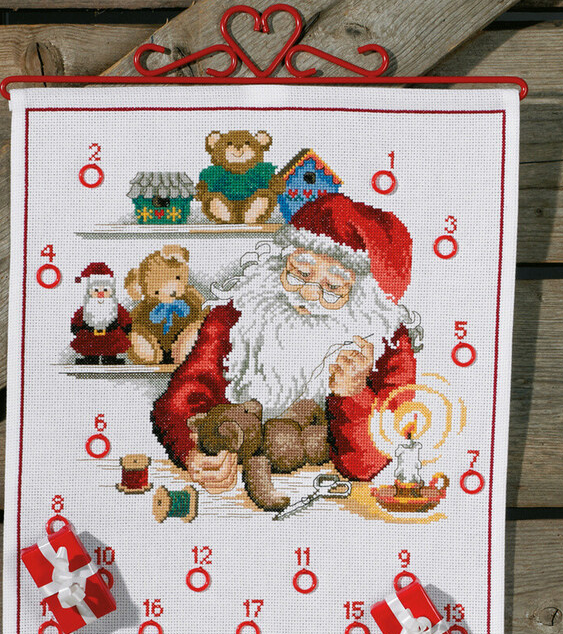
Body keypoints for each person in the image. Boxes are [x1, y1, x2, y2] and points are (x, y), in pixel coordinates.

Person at [151, 194, 417, 485]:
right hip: (234, 483)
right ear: (281, 260)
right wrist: (193, 454)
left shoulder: (387, 344)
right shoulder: (239, 314)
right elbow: (180, 400)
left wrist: (353, 395)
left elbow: (369, 463)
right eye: (299, 272)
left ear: (363, 297)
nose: (307, 293)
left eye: (332, 287)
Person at [70, 262, 131, 365]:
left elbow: (124, 318)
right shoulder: (86, 307)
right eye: (96, 290)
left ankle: (110, 358)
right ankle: (90, 358)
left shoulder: (115, 307)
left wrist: (126, 326)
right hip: (90, 336)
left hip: (110, 336)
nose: (100, 294)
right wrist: (75, 326)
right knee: (88, 345)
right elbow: (77, 318)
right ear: (90, 292)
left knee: (112, 346)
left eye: (105, 290)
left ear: (111, 291)